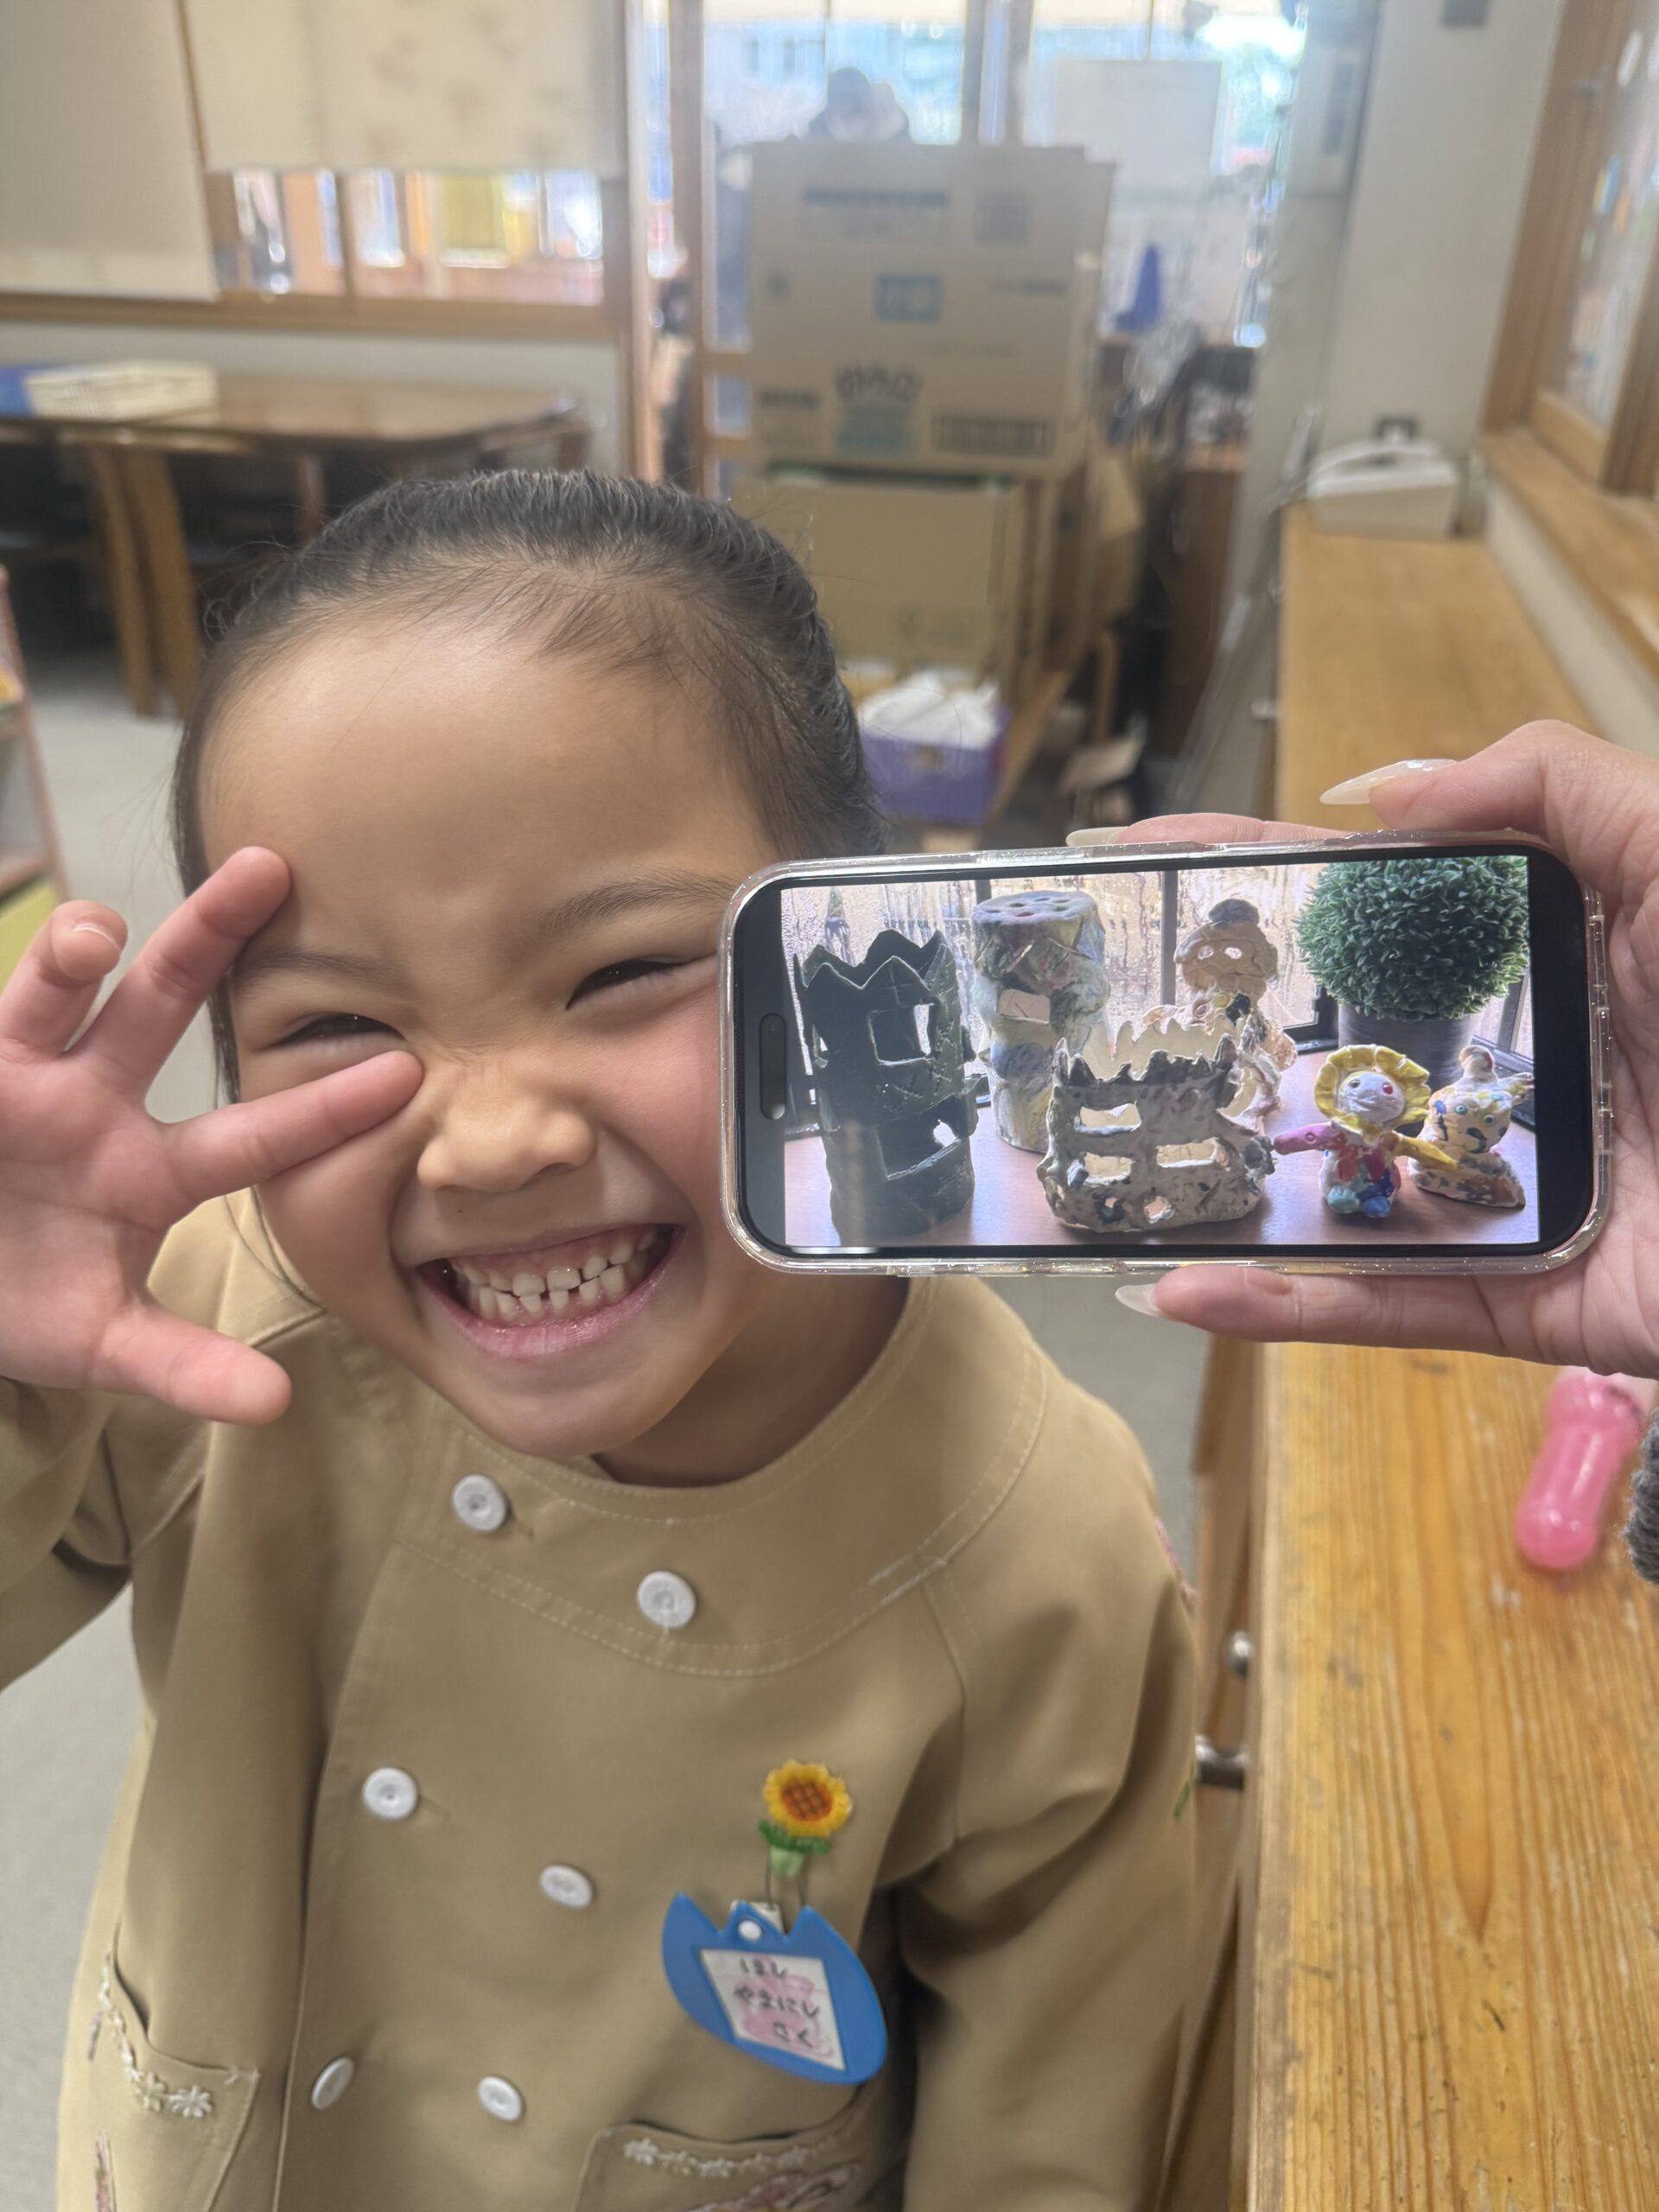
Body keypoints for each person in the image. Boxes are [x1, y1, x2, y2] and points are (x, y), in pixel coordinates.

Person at [0, 474, 1193, 2212]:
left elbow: (1054, 2125)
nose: (490, 1143)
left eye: (624, 972)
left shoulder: (1039, 1536)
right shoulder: (201, 1318)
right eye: (334, 1021)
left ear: (873, 945)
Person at [1096, 722, 1659, 1577]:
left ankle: (1358, 1195)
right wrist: (1279, 1144)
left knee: (1366, 1190)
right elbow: (1306, 1134)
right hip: (1333, 1162)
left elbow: (1420, 1154)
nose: (1366, 1100)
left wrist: (1430, 1160)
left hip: (1372, 1176)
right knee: (1342, 1186)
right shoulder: (1326, 1108)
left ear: (1394, 1092)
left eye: (1378, 1094)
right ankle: (1349, 1193)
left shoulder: (1391, 1129)